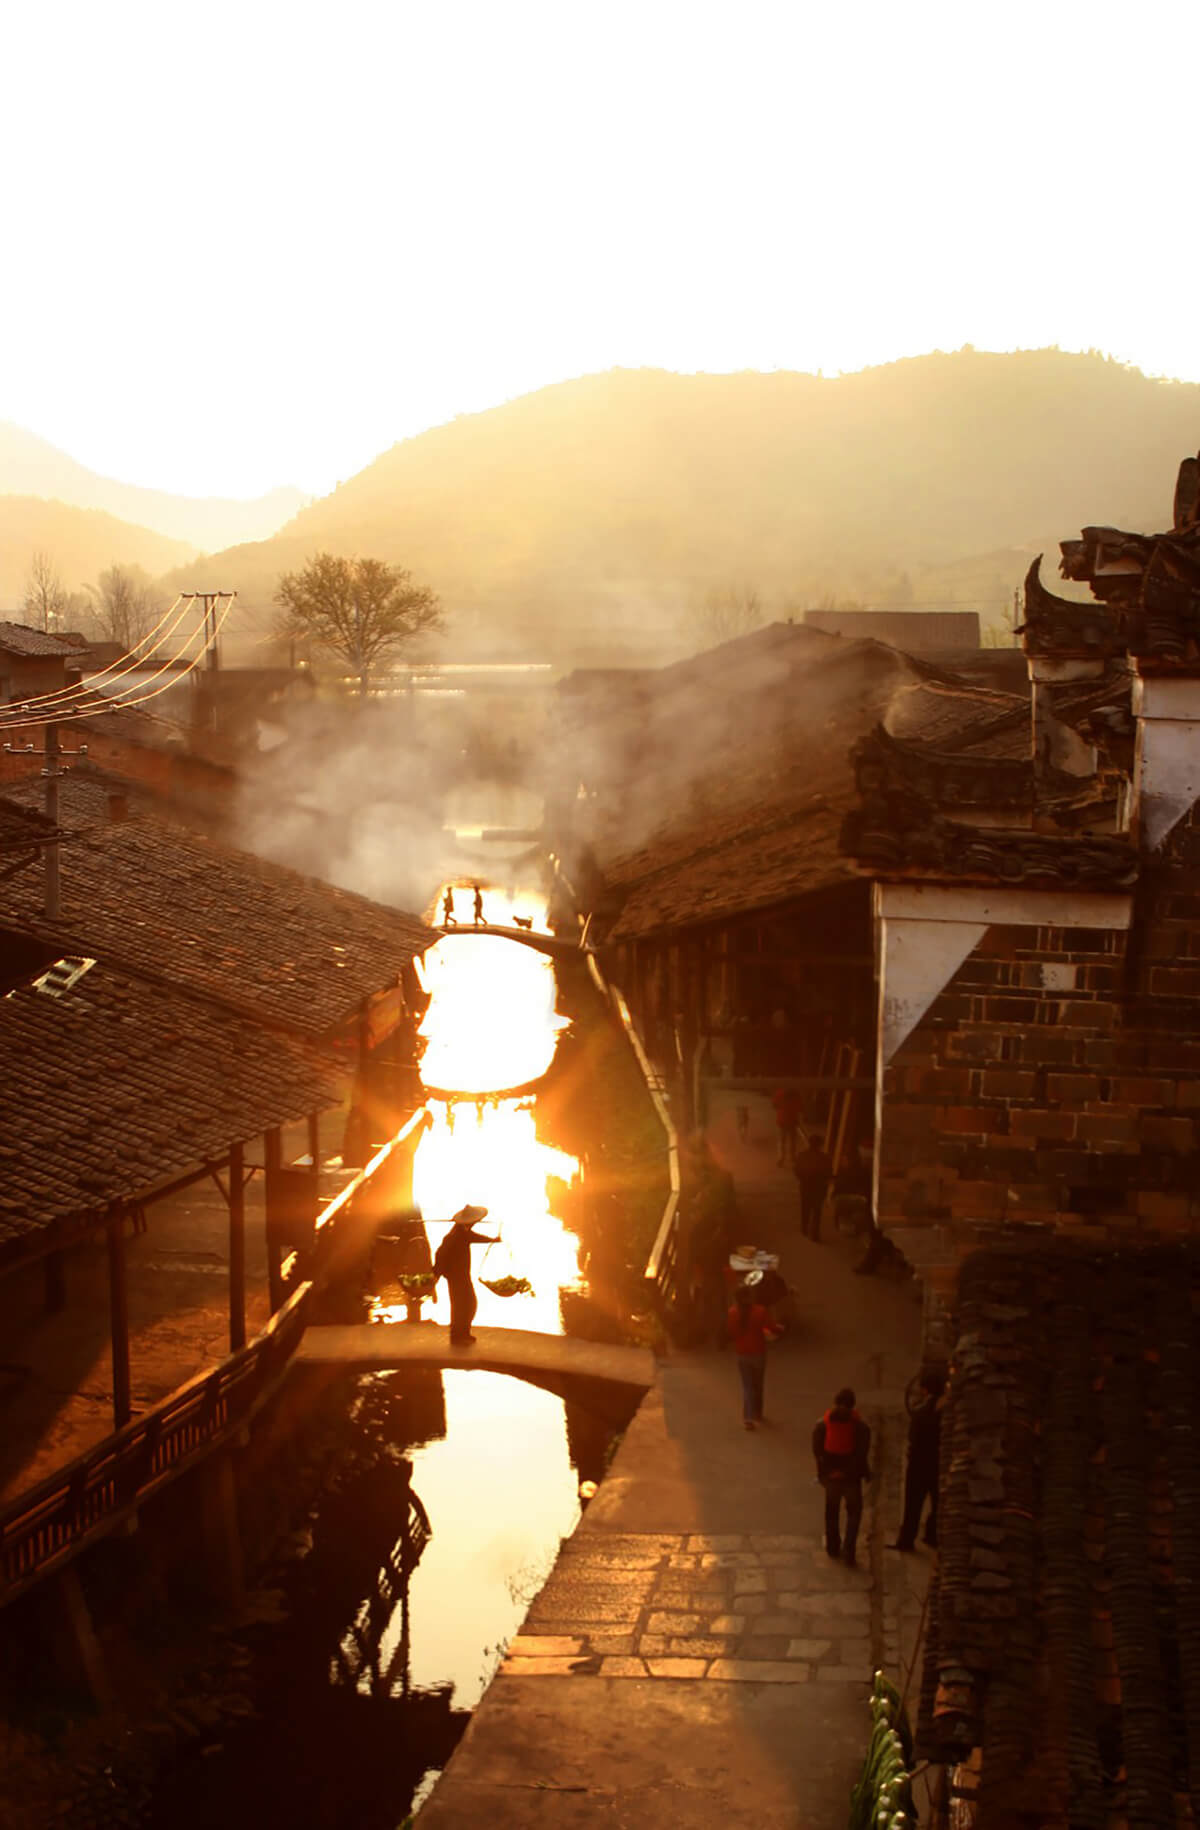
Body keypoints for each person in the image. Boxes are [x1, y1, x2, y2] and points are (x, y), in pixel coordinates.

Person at [812, 1386, 872, 1566]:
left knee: (832, 1512)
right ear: (853, 1406)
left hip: (831, 1477)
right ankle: (849, 1550)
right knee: (853, 1513)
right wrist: (862, 1472)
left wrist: (826, 1473)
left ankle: (832, 1547)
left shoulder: (822, 1425)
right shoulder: (861, 1427)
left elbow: (817, 1451)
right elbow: (862, 1454)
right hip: (851, 1478)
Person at [890, 1369, 945, 1551]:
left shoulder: (920, 1413)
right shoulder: (946, 1412)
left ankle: (907, 1540)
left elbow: (913, 1440)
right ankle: (931, 1535)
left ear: (924, 1390)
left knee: (913, 1505)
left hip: (918, 1465)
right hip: (938, 1464)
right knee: (938, 1503)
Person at [432, 1204, 498, 1344]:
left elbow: (473, 1237)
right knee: (465, 1304)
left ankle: (463, 1333)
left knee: (464, 1305)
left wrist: (492, 1239)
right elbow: (440, 1253)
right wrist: (437, 1273)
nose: (476, 1223)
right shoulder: (453, 1236)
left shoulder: (463, 1231)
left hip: (461, 1274)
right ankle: (458, 1335)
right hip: (455, 1275)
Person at [728, 1279, 779, 1430]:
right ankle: (757, 1413)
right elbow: (771, 1327)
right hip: (758, 1352)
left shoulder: (732, 1312)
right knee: (758, 1384)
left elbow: (731, 1333)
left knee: (747, 1386)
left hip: (742, 1353)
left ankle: (748, 1417)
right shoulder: (760, 1311)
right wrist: (780, 1328)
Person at [794, 1134, 831, 1240]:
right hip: (819, 1188)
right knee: (817, 1211)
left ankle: (804, 1228)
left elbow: (796, 1170)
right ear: (820, 1145)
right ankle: (815, 1233)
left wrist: (803, 1178)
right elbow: (828, 1173)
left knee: (805, 1208)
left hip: (805, 1186)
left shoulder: (802, 1156)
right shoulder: (824, 1158)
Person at [771, 1087, 803, 1167]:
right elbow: (800, 1108)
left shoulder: (779, 1092)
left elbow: (774, 1105)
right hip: (792, 1120)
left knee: (782, 1141)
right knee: (792, 1141)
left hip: (781, 1120)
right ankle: (792, 1157)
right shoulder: (796, 1094)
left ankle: (781, 1158)